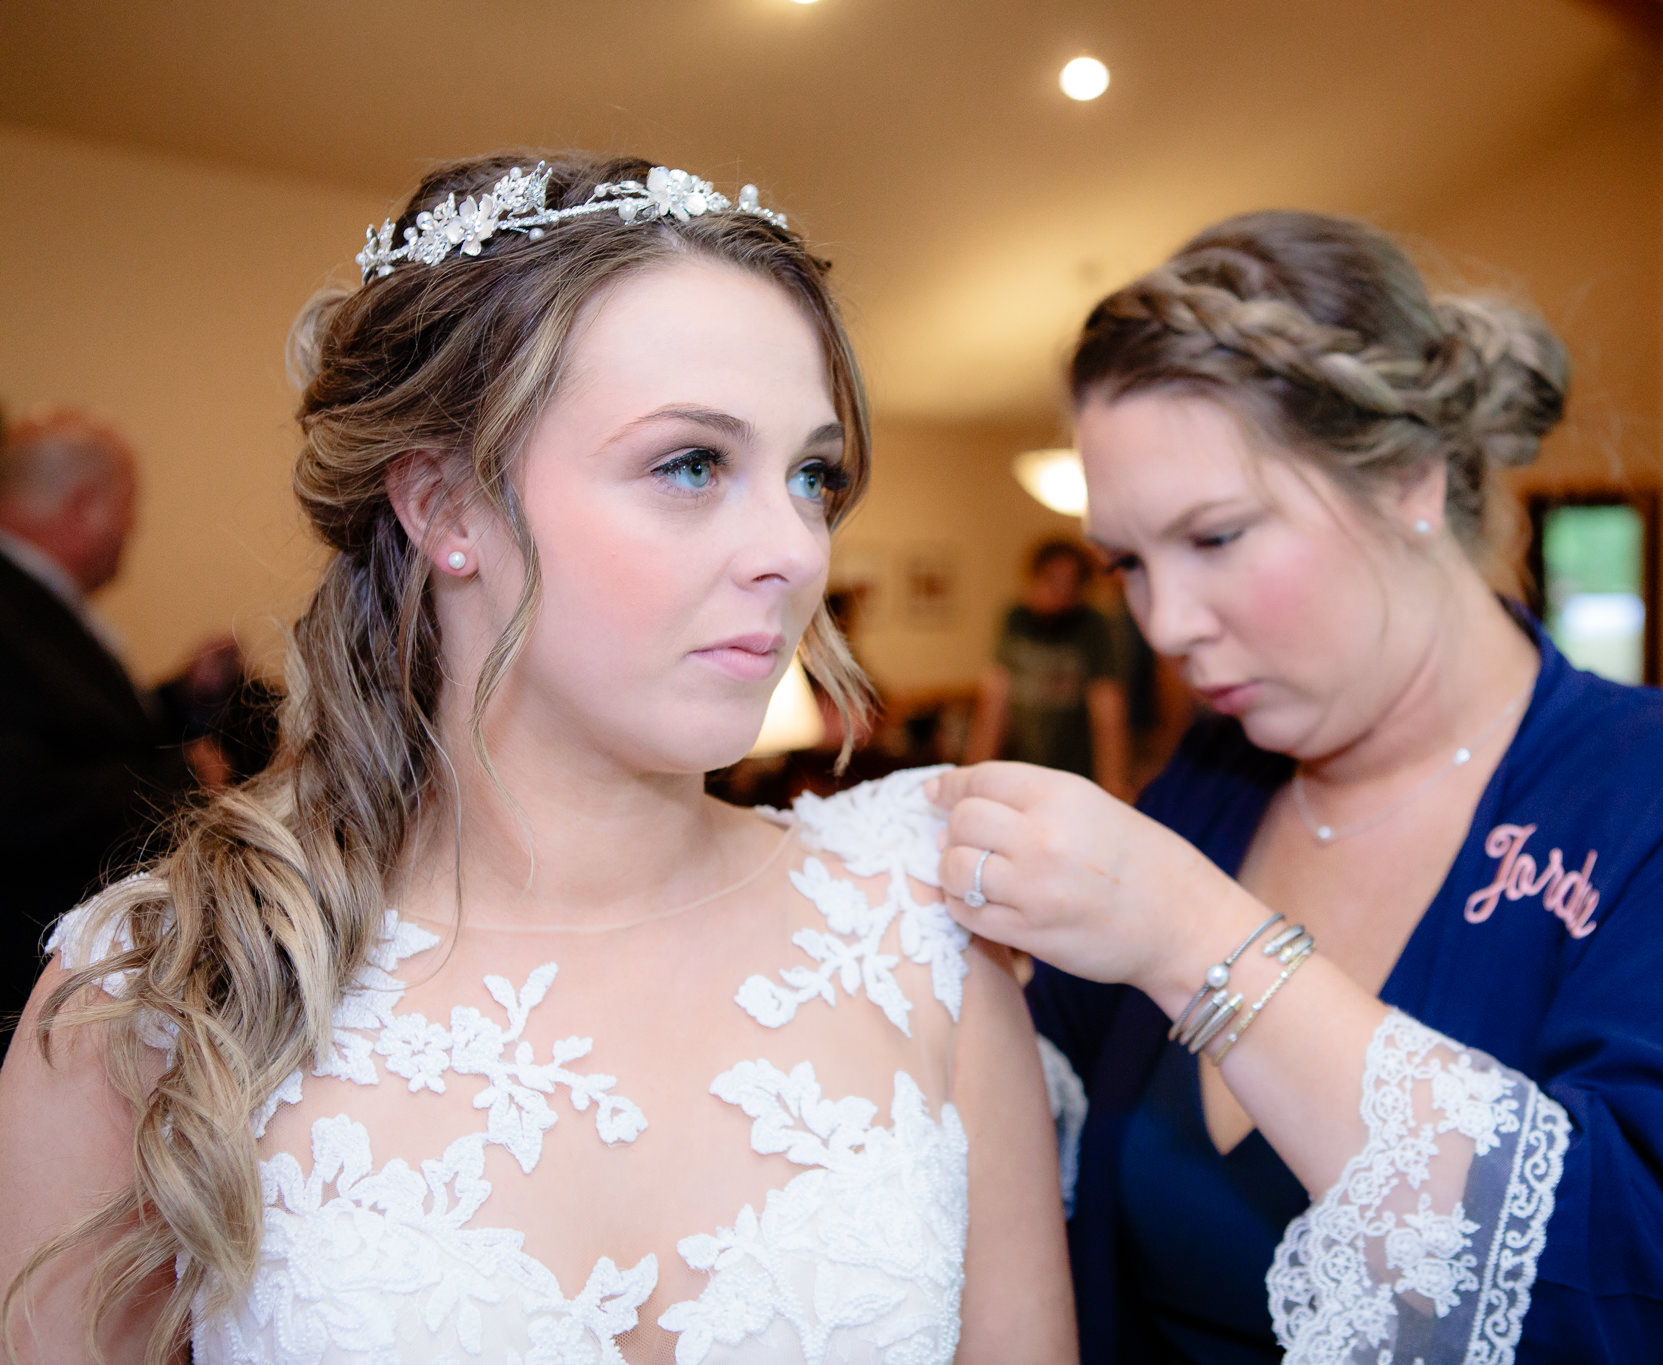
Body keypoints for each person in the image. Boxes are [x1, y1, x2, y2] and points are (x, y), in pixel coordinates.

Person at [0, 154, 1073, 1364]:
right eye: (690, 463)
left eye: (811, 475)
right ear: (445, 507)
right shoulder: (157, 997)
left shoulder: (920, 939)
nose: (795, 547)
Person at [926, 212, 1663, 1363]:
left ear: (1412, 478)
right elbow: (1020, 1106)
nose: (1164, 625)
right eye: (1128, 562)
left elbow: (1657, 1288)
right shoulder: (1209, 789)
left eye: (1214, 538)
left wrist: (1194, 936)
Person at [0, 410, 242, 1042]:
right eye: (128, 506)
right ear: (84, 507)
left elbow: (78, 731)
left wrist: (181, 696)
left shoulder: (42, 602)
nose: (132, 528)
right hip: (25, 984)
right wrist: (177, 778)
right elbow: (19, 797)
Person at [965, 538, 1133, 800]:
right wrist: (973, 775)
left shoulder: (1092, 626)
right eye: (1052, 580)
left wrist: (1114, 786)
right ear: (1033, 578)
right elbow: (995, 700)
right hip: (1024, 772)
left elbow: (1107, 707)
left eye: (1071, 583)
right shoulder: (1015, 620)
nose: (1061, 591)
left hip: (1078, 779)